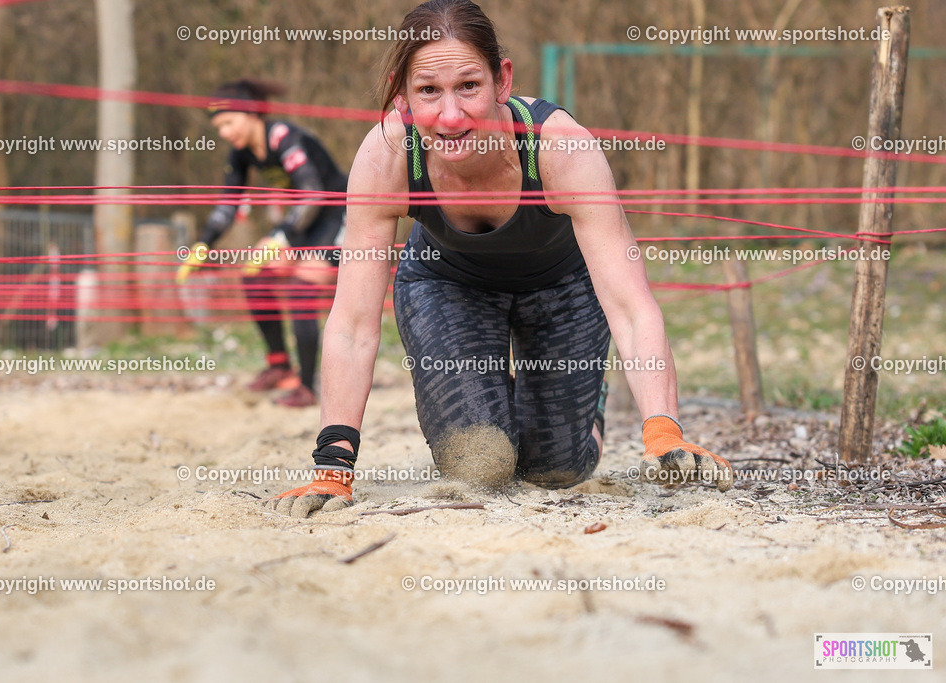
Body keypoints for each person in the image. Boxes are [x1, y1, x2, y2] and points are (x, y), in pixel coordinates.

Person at [268, 0, 731, 516]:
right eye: (428, 91)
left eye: (469, 86)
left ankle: (583, 408)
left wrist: (663, 429)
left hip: (563, 286)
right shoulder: (386, 157)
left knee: (555, 470)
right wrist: (334, 466)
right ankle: (489, 392)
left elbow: (630, 305)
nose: (450, 115)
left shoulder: (561, 150)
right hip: (447, 286)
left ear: (501, 81)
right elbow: (353, 323)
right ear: (402, 95)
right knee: (480, 463)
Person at [178, 79, 348, 407]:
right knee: (254, 275)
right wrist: (203, 244)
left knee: (301, 290)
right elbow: (228, 204)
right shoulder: (241, 153)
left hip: (336, 216)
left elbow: (313, 194)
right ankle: (279, 366)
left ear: (251, 113)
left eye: (229, 123)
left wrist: (280, 236)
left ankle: (308, 388)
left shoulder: (285, 138)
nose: (224, 132)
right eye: (219, 127)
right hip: (304, 220)